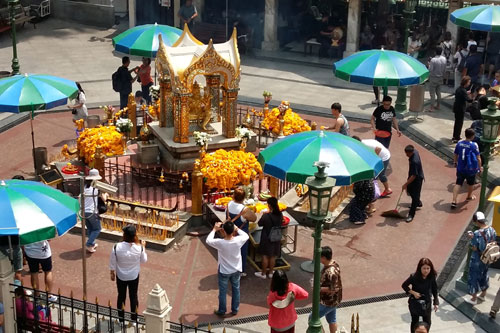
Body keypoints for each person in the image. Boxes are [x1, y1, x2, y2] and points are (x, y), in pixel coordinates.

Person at [206, 221, 249, 316]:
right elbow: (246, 235)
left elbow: (208, 240)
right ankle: (235, 309)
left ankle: (222, 310)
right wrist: (237, 228)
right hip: (236, 269)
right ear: (233, 231)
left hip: (224, 271)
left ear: (223, 231)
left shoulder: (220, 243)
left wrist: (214, 229)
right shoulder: (238, 240)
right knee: (236, 290)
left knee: (223, 292)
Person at [109, 225, 147, 321]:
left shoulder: (116, 246)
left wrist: (112, 273)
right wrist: (143, 247)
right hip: (134, 276)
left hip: (121, 276)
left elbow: (112, 261)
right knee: (133, 296)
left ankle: (121, 319)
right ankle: (134, 319)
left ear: (124, 235)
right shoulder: (139, 248)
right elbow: (144, 260)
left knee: (121, 296)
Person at [308, 246, 342, 333]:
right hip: (333, 300)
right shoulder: (333, 264)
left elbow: (335, 288)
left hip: (327, 301)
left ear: (323, 258)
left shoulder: (331, 272)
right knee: (332, 319)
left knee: (313, 318)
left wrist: (318, 289)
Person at [466, 211, 497, 304]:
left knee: (474, 276)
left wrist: (472, 237)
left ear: (477, 221)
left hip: (477, 258)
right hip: (488, 258)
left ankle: (473, 298)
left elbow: (474, 247)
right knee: (484, 274)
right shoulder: (492, 230)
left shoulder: (477, 233)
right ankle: (483, 294)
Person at [402, 258, 439, 333]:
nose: (426, 271)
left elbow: (435, 289)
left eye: (428, 268)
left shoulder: (431, 276)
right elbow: (404, 285)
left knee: (427, 321)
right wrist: (413, 293)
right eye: (424, 268)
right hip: (415, 302)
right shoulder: (414, 277)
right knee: (415, 321)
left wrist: (436, 302)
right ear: (420, 268)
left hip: (427, 302)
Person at [227, 187, 257, 276]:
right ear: (244, 198)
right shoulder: (244, 210)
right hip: (240, 235)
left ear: (234, 196)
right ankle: (240, 271)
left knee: (231, 252)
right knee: (242, 253)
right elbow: (254, 218)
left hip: (230, 233)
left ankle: (230, 268)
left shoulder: (228, 204)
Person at [451, 128, 482, 209]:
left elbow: (455, 154)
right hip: (470, 169)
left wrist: (455, 162)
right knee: (471, 183)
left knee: (458, 183)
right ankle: (469, 196)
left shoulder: (459, 143)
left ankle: (454, 201)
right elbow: (478, 157)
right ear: (472, 136)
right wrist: (480, 167)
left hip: (461, 167)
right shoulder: (474, 145)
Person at [255, 197, 283, 279]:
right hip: (276, 237)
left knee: (265, 255)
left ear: (269, 205)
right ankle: (271, 272)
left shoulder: (267, 216)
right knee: (273, 255)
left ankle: (263, 273)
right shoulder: (280, 214)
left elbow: (259, 224)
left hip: (266, 237)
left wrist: (263, 215)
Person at [83, 169, 106, 253]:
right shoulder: (96, 188)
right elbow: (104, 199)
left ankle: (92, 244)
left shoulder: (85, 187)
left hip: (84, 211)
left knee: (90, 228)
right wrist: (105, 195)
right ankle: (89, 244)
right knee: (97, 229)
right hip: (92, 211)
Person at [402, 145, 424, 223]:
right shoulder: (415, 151)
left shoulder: (414, 161)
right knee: (410, 191)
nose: (406, 155)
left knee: (415, 196)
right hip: (412, 176)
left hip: (417, 179)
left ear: (411, 152)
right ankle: (418, 202)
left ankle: (411, 215)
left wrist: (405, 184)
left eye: (407, 154)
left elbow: (414, 176)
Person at [452, 76, 473, 143]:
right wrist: (473, 97)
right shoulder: (463, 91)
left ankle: (455, 136)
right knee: (459, 123)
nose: (469, 84)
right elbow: (468, 100)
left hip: (456, 107)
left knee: (457, 122)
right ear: (466, 82)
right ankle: (457, 137)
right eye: (469, 82)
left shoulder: (459, 89)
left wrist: (466, 93)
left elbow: (462, 95)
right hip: (460, 108)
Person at [427, 46, 447, 112]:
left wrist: (429, 64)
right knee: (438, 92)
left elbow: (430, 69)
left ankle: (432, 107)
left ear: (435, 52)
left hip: (433, 77)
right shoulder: (444, 59)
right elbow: (444, 69)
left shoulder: (433, 60)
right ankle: (438, 105)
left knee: (432, 93)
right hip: (440, 77)